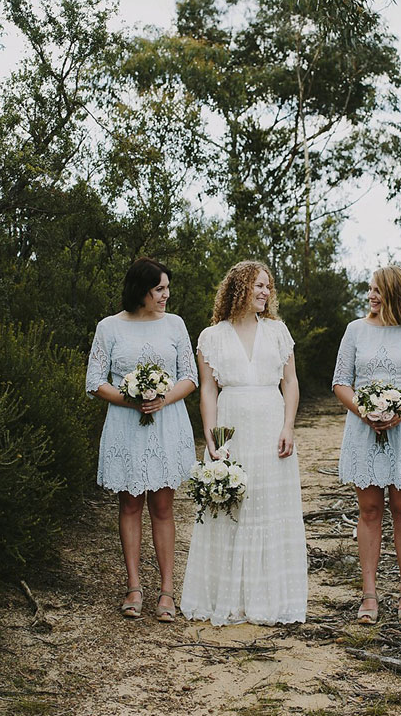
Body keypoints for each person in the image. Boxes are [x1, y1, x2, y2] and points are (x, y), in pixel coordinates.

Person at [180, 260, 307, 626]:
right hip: (232, 426)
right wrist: (211, 436)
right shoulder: (211, 337)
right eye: (258, 285)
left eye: (268, 286)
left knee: (269, 508)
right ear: (239, 288)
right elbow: (207, 389)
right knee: (231, 507)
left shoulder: (278, 331)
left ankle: (269, 599)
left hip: (271, 424)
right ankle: (229, 599)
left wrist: (288, 426)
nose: (266, 292)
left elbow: (290, 382)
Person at [86, 257, 197, 621]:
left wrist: (162, 399)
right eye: (159, 289)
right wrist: (130, 398)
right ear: (140, 291)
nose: (166, 295)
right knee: (130, 505)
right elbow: (95, 381)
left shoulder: (175, 325)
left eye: (167, 288)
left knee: (163, 507)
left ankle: (167, 591)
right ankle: (134, 587)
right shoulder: (109, 327)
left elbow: (190, 377)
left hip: (166, 422)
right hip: (126, 424)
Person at [332, 266, 401, 624]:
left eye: (377, 290)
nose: (371, 296)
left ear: (395, 292)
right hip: (364, 429)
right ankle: (369, 594)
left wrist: (399, 412)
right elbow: (340, 382)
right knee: (369, 510)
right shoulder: (355, 330)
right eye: (370, 289)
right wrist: (364, 410)